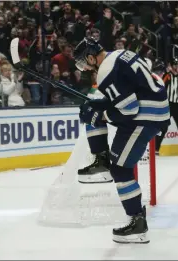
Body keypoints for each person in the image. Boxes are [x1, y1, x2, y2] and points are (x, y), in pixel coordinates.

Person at [73, 37, 170, 244]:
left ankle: (137, 224)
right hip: (152, 109)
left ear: (91, 57)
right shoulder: (118, 54)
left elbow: (129, 109)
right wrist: (99, 108)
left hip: (145, 116)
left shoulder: (105, 71)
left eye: (84, 63)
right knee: (93, 110)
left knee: (120, 169)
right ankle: (101, 161)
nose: (86, 69)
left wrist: (101, 114)